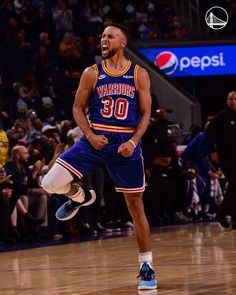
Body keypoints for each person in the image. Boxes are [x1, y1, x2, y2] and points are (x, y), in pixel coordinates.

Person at [42, 23, 157, 290]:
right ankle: (80, 196)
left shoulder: (139, 74)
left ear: (123, 43)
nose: (103, 39)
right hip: (95, 139)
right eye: (102, 36)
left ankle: (147, 266)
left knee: (136, 205)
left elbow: (145, 114)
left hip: (124, 144)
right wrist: (90, 136)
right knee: (49, 184)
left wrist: (133, 141)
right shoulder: (91, 73)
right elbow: (77, 109)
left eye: (110, 36)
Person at [205, 91, 236, 229]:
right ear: (227, 101)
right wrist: (213, 151)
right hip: (226, 157)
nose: (234, 101)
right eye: (231, 99)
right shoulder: (221, 117)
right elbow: (208, 133)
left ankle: (233, 218)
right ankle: (222, 213)